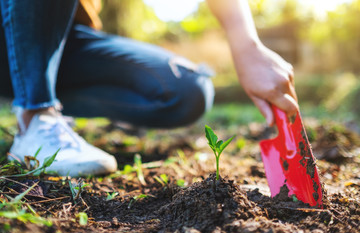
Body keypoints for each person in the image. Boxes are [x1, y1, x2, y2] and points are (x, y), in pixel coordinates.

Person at [0, 0, 298, 177]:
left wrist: (247, 45)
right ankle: (36, 115)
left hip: (62, 34)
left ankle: (44, 98)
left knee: (186, 91)